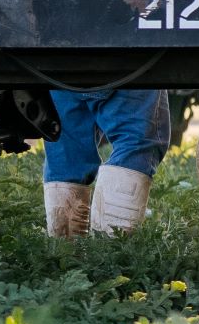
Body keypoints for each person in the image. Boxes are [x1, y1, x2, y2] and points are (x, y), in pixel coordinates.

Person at [41, 88, 171, 237]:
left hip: (54, 72)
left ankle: (64, 254)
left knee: (67, 154)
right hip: (126, 70)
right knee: (135, 141)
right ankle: (111, 252)